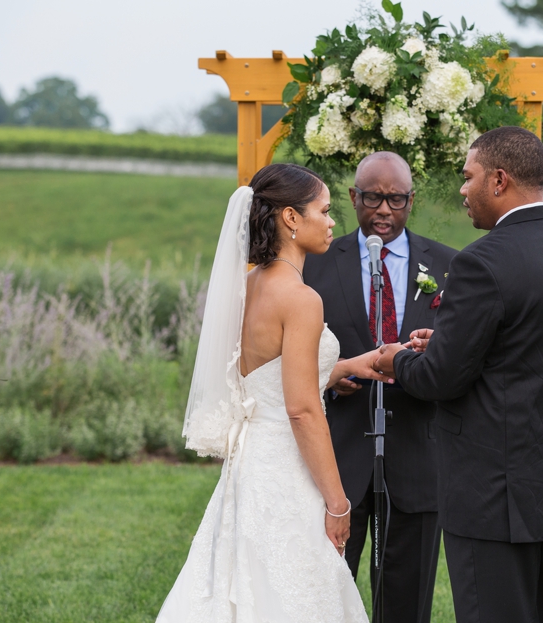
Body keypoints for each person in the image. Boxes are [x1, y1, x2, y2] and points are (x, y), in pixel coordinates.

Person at [375, 126, 543, 623]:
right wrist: (448, 342)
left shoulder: (482, 262)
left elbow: (440, 379)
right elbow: (534, 348)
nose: (462, 189)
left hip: (495, 493)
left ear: (499, 180)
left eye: (469, 176)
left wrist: (395, 359)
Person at [157, 163, 391, 623]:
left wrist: (349, 365)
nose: (331, 222)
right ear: (290, 218)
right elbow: (302, 409)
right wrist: (338, 502)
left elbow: (268, 378)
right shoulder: (302, 298)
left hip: (250, 466)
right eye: (323, 211)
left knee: (240, 582)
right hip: (286, 467)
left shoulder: (248, 288)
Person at [303, 151, 457, 623]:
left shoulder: (449, 265)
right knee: (328, 598)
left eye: (396, 200)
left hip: (418, 455)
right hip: (339, 457)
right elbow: (293, 357)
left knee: (407, 606)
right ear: (353, 197)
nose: (384, 210)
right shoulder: (316, 264)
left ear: (413, 201)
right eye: (373, 198)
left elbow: (459, 355)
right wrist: (332, 381)